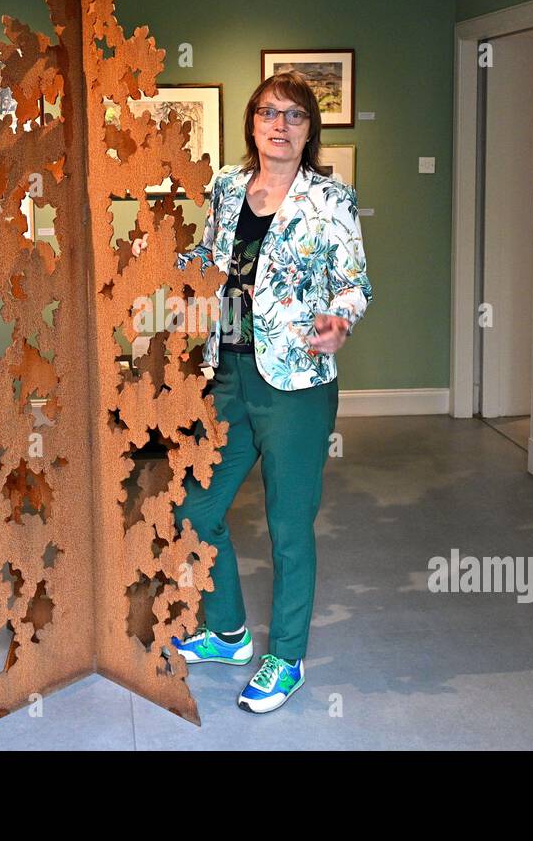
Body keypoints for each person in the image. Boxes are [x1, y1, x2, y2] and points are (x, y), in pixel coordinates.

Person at [131, 70, 372, 713]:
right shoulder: (228, 189)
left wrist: (339, 319)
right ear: (253, 123)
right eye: (270, 112)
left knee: (288, 527)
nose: (281, 125)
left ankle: (286, 658)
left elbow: (354, 283)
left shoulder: (331, 200)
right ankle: (230, 631)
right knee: (195, 507)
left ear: (309, 129)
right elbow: (209, 261)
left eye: (294, 115)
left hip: (295, 384)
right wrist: (159, 266)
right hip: (228, 374)